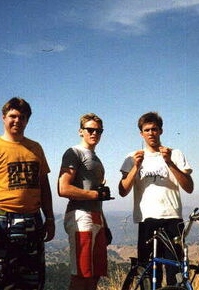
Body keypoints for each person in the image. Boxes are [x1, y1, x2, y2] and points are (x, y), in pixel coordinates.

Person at [0, 97, 55, 290]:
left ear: (27, 120)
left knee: (30, 281)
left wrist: (49, 218)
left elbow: (44, 185)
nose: (17, 120)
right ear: (3, 117)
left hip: (33, 221)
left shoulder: (35, 148)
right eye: (13, 116)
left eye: (23, 117)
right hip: (2, 220)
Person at [119, 112, 194, 287]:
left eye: (154, 129)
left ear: (161, 131)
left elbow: (189, 187)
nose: (151, 133)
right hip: (147, 220)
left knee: (174, 274)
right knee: (150, 273)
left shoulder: (175, 154)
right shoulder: (132, 157)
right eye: (147, 130)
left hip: (172, 219)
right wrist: (136, 167)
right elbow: (122, 190)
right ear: (141, 133)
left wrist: (169, 163)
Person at [58, 113, 112, 290]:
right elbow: (63, 188)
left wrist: (105, 224)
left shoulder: (96, 157)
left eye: (99, 130)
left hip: (96, 216)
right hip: (81, 215)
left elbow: (97, 194)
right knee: (82, 274)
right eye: (90, 129)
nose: (94, 133)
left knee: (94, 274)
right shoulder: (74, 152)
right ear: (81, 131)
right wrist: (94, 195)